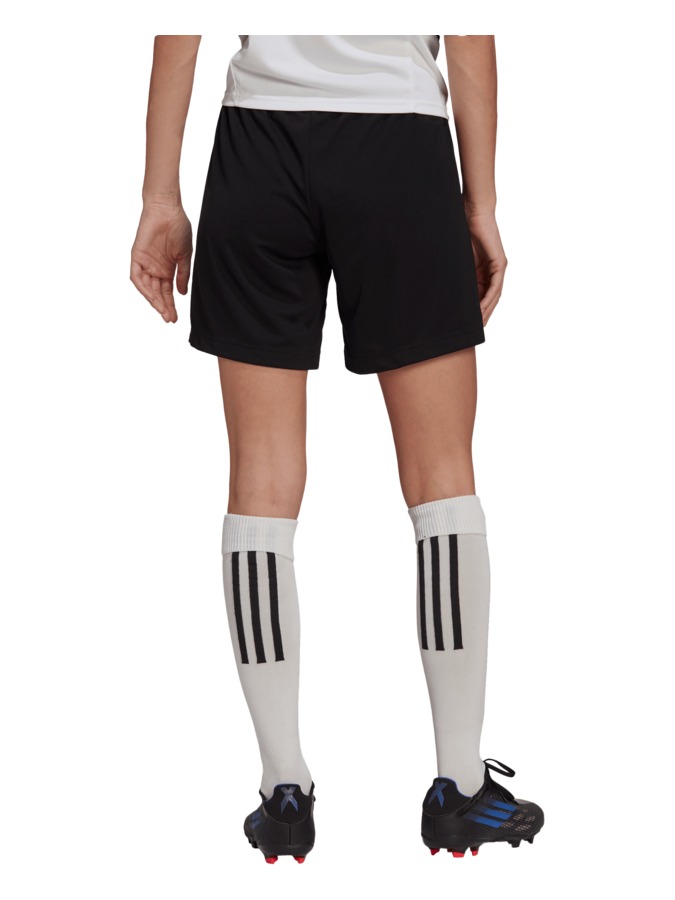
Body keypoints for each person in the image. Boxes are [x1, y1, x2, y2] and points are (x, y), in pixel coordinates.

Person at [130, 34, 544, 864]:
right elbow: (467, 33)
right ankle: (459, 787)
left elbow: (179, 27)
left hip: (257, 144)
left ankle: (282, 790)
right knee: (441, 481)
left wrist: (159, 195)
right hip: (400, 146)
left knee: (259, 483)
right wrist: (479, 202)